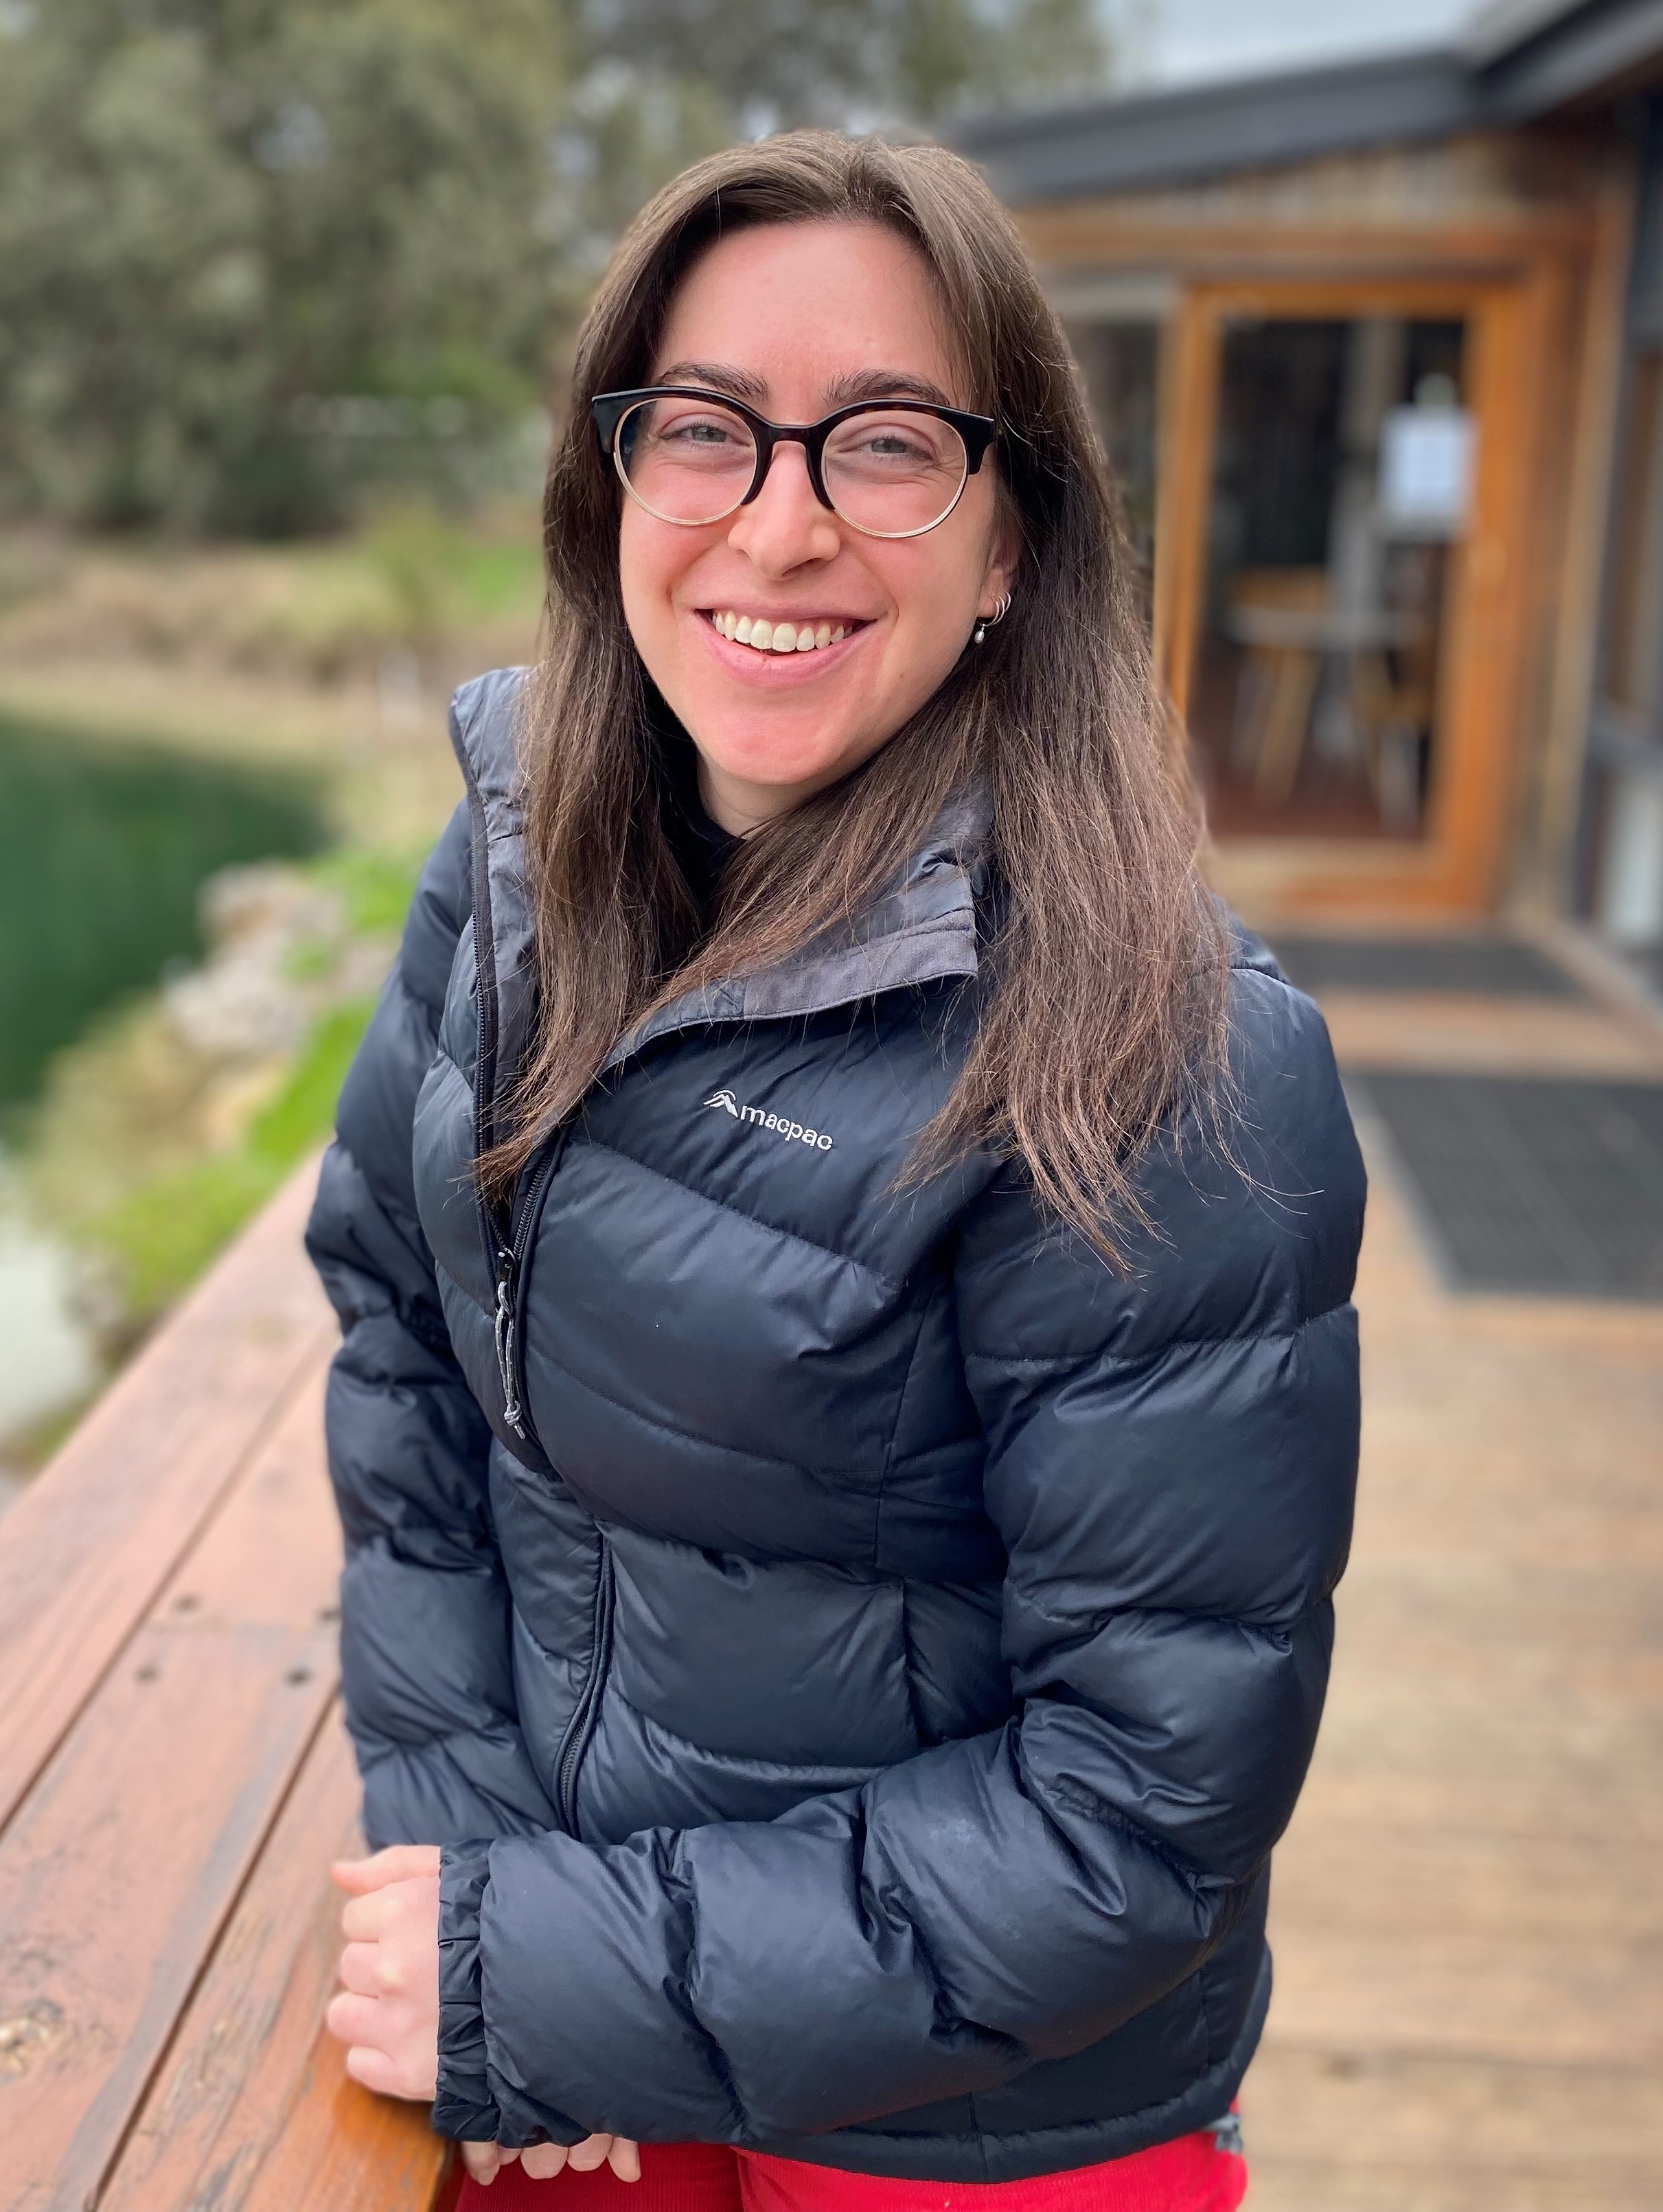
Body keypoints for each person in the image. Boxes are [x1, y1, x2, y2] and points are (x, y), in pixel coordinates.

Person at [306, 130, 1365, 2212]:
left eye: (884, 444)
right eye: (705, 430)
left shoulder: (1169, 1057)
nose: (777, 526)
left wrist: (557, 1977)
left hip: (974, 2125)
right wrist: (493, 1875)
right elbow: (402, 1350)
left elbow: (1138, 1816)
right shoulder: (514, 868)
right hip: (571, 1991)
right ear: (614, 485)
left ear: (1009, 547)